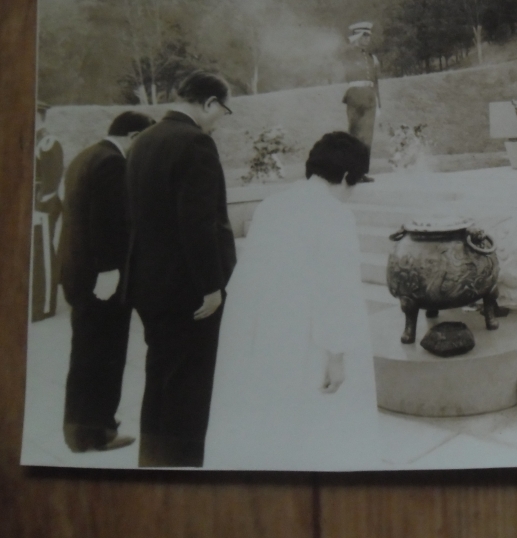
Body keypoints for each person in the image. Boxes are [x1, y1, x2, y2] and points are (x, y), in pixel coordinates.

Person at [205, 132, 380, 471]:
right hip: (308, 336)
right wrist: (337, 355)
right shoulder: (335, 215)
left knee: (275, 422)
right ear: (347, 176)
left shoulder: (273, 205)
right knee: (319, 421)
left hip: (267, 332)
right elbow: (336, 290)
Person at [123, 70, 237, 467]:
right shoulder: (195, 143)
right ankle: (180, 473)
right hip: (187, 292)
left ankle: (152, 463)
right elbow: (199, 224)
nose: (220, 120)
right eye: (223, 111)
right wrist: (212, 287)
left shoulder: (143, 140)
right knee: (189, 389)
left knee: (160, 380)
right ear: (209, 103)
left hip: (148, 285)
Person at [60, 111, 155, 453]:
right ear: (133, 137)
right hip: (102, 279)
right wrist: (110, 271)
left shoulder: (86, 156)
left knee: (85, 355)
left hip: (78, 274)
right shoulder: (113, 163)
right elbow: (108, 222)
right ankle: (99, 432)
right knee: (105, 356)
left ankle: (78, 432)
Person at [32, 102, 64, 322]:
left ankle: (44, 306)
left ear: (38, 115)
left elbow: (51, 182)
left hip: (41, 206)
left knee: (42, 252)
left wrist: (40, 207)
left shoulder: (47, 142)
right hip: (30, 205)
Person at [340, 21, 380, 182]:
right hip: (355, 96)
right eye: (364, 36)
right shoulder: (349, 53)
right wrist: (352, 43)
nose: (367, 39)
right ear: (357, 37)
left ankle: (361, 172)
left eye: (368, 36)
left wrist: (379, 103)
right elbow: (342, 55)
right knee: (354, 135)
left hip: (370, 97)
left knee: (367, 136)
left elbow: (375, 82)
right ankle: (351, 172)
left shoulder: (371, 57)